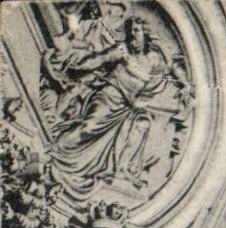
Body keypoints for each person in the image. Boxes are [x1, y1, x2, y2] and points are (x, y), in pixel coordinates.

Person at [46, 14, 191, 197]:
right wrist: (74, 63)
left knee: (139, 129)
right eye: (131, 31)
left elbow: (173, 67)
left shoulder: (154, 59)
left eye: (136, 31)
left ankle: (117, 170)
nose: (133, 35)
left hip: (127, 107)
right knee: (88, 127)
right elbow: (98, 60)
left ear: (146, 34)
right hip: (109, 97)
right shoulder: (123, 50)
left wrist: (185, 84)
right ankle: (56, 148)